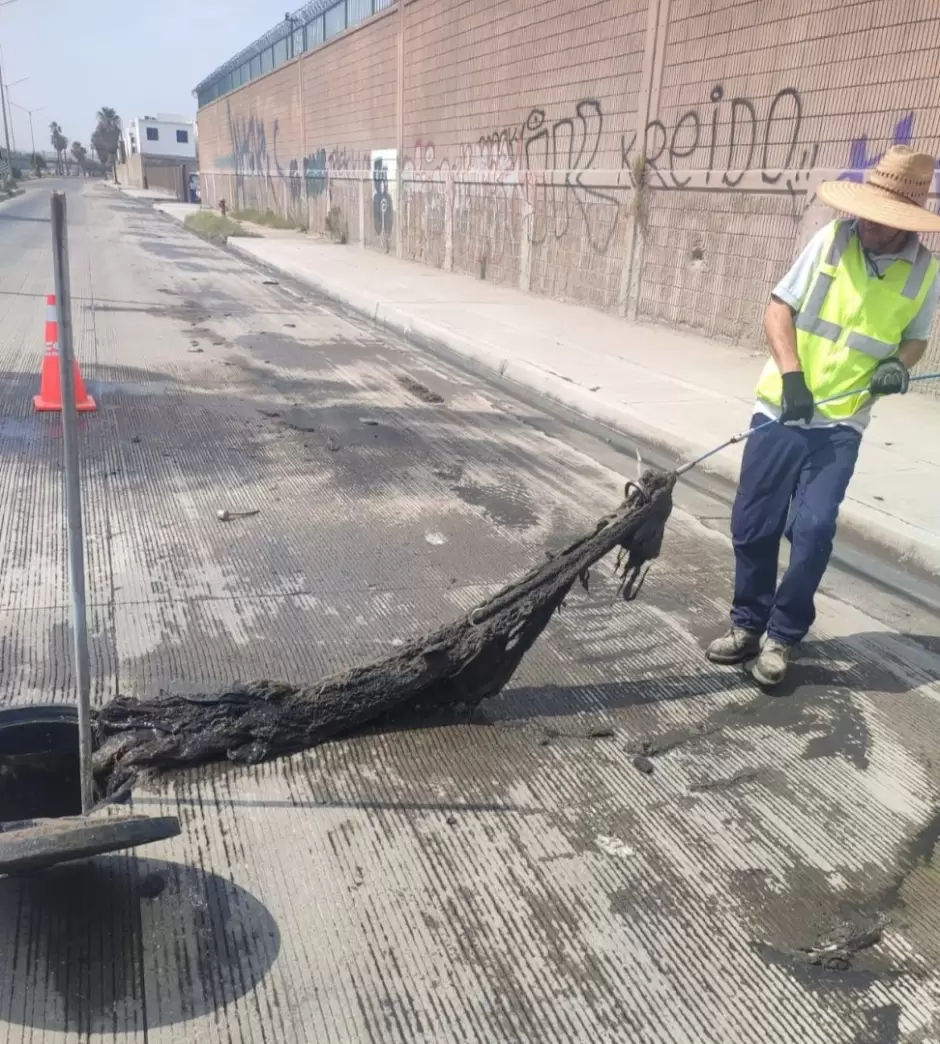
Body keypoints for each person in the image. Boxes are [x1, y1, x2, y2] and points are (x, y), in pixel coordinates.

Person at [707, 145, 940, 687]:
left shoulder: (925, 272)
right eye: (868, 211)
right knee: (753, 524)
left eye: (884, 219)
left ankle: (783, 637)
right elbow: (778, 307)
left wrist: (896, 369)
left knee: (812, 530)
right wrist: (791, 376)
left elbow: (915, 341)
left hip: (842, 422)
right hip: (783, 408)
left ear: (904, 221)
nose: (870, 224)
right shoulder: (832, 240)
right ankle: (747, 624)